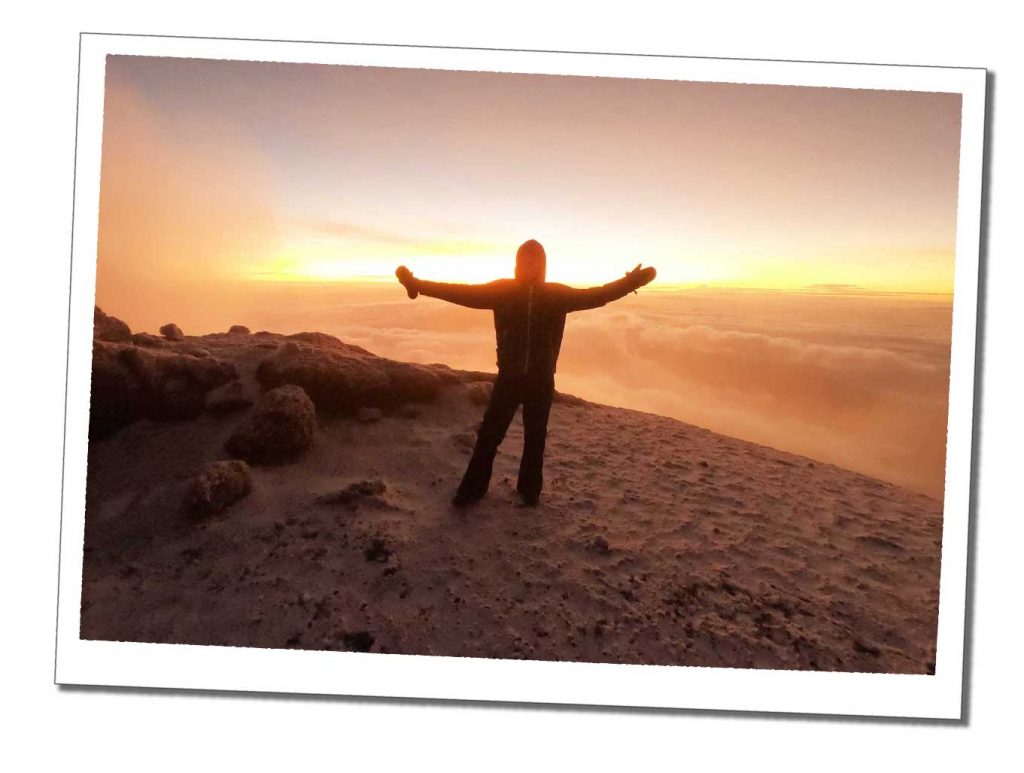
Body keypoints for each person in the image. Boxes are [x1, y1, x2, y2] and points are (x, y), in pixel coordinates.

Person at [395, 239, 656, 508]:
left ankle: (529, 491)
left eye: (535, 261)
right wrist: (417, 285)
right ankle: (472, 490)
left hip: (541, 379)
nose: (530, 265)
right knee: (489, 436)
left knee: (535, 438)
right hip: (509, 377)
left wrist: (630, 283)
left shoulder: (558, 295)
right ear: (518, 264)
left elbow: (598, 295)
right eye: (525, 261)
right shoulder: (502, 291)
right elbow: (461, 292)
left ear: (542, 265)